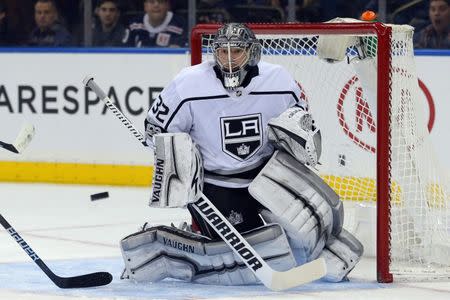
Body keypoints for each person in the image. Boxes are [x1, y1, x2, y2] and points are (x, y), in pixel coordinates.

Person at [119, 23, 363, 286]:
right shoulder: (188, 84)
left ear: (253, 52)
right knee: (248, 257)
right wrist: (171, 155)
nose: (229, 58)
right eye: (223, 52)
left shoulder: (278, 80)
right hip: (215, 185)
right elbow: (156, 130)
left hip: (269, 177)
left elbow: (299, 124)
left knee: (307, 235)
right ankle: (164, 248)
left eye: (236, 51)